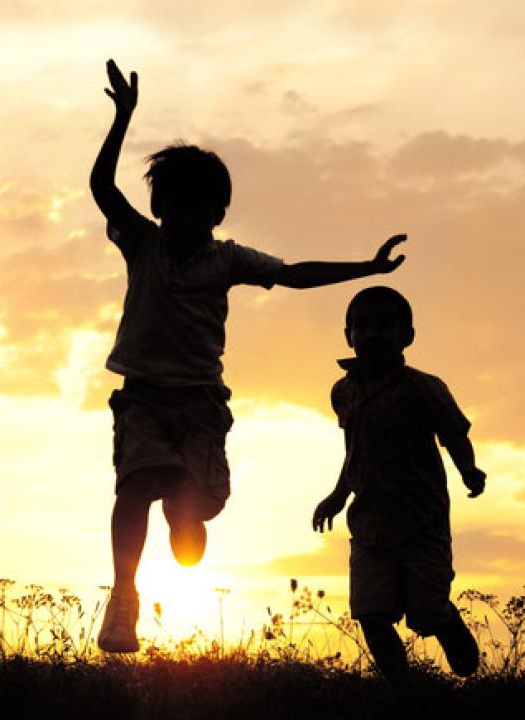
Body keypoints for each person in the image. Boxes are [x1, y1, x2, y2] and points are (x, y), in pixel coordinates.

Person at [91, 60, 408, 653]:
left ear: (217, 215)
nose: (185, 220)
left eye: (198, 211)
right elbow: (104, 191)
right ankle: (123, 597)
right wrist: (123, 119)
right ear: (159, 208)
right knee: (134, 486)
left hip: (202, 405)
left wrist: (367, 267)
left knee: (195, 514)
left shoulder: (228, 259)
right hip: (142, 397)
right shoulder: (143, 243)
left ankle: (185, 516)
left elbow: (292, 275)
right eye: (175, 208)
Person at [312, 286, 486, 689]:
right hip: (369, 523)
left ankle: (445, 622)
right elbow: (354, 449)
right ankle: (401, 691)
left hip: (421, 521)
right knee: (371, 612)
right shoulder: (344, 391)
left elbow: (454, 434)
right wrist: (338, 495)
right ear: (348, 335)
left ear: (407, 335)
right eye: (363, 326)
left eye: (385, 326)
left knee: (425, 610)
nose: (372, 334)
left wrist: (469, 470)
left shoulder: (423, 388)